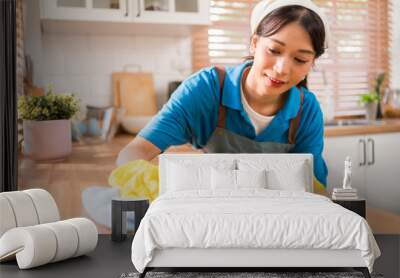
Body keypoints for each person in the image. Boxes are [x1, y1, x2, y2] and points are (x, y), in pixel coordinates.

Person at [117, 0, 329, 194]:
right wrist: (153, 190)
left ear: (312, 63)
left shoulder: (306, 110)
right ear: (254, 43)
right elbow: (135, 151)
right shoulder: (206, 90)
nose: (282, 69)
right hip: (213, 210)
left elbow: (314, 186)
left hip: (274, 219)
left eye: (300, 59)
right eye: (274, 50)